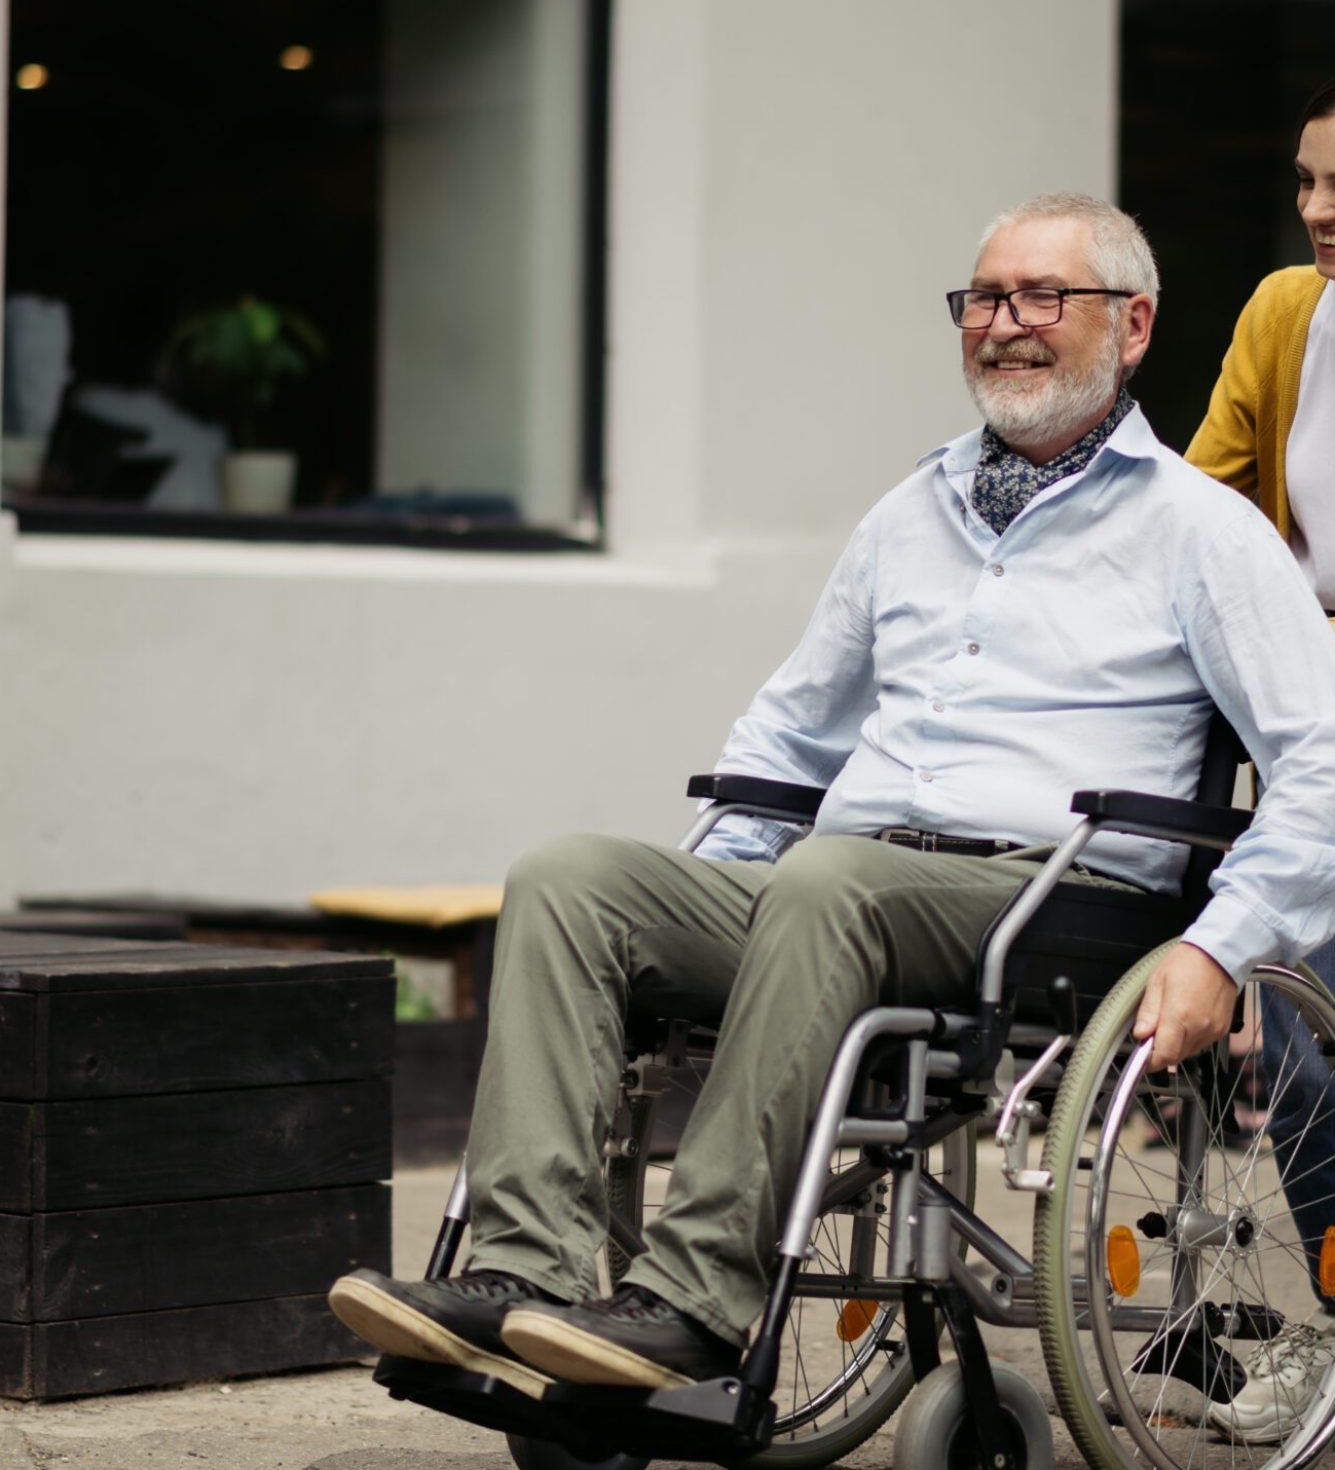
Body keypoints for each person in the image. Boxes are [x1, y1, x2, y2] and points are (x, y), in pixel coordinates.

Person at [329, 192, 1335, 1408]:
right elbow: (790, 733)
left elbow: (1319, 761)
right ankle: (517, 1279)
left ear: (1132, 327)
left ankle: (691, 1301)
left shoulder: (1203, 533)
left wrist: (1223, 947)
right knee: (573, 878)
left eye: (1041, 299)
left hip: (1053, 902)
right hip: (842, 888)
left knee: (827, 880)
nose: (1004, 325)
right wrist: (711, 890)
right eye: (983, 300)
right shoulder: (909, 514)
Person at [1186, 78, 1335, 1444]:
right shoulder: (1284, 310)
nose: (1315, 210)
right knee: (1294, 1019)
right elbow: (1203, 499)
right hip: (1314, 701)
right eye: (1303, 180)